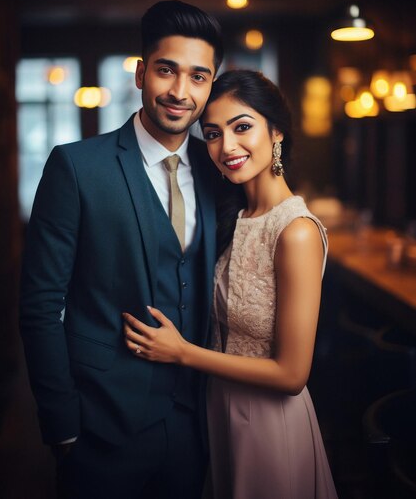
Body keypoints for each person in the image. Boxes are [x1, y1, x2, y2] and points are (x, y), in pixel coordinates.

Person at [19, 0, 223, 499]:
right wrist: (62, 424)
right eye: (166, 70)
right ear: (140, 73)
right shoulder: (76, 166)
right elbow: (41, 304)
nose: (180, 92)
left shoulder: (221, 170)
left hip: (196, 423)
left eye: (198, 77)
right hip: (99, 427)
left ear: (212, 84)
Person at [124, 69, 338, 499]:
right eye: (214, 133)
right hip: (219, 415)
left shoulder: (295, 231)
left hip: (270, 425)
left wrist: (183, 353)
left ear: (276, 130)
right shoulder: (235, 217)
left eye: (243, 127)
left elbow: (293, 374)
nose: (227, 147)